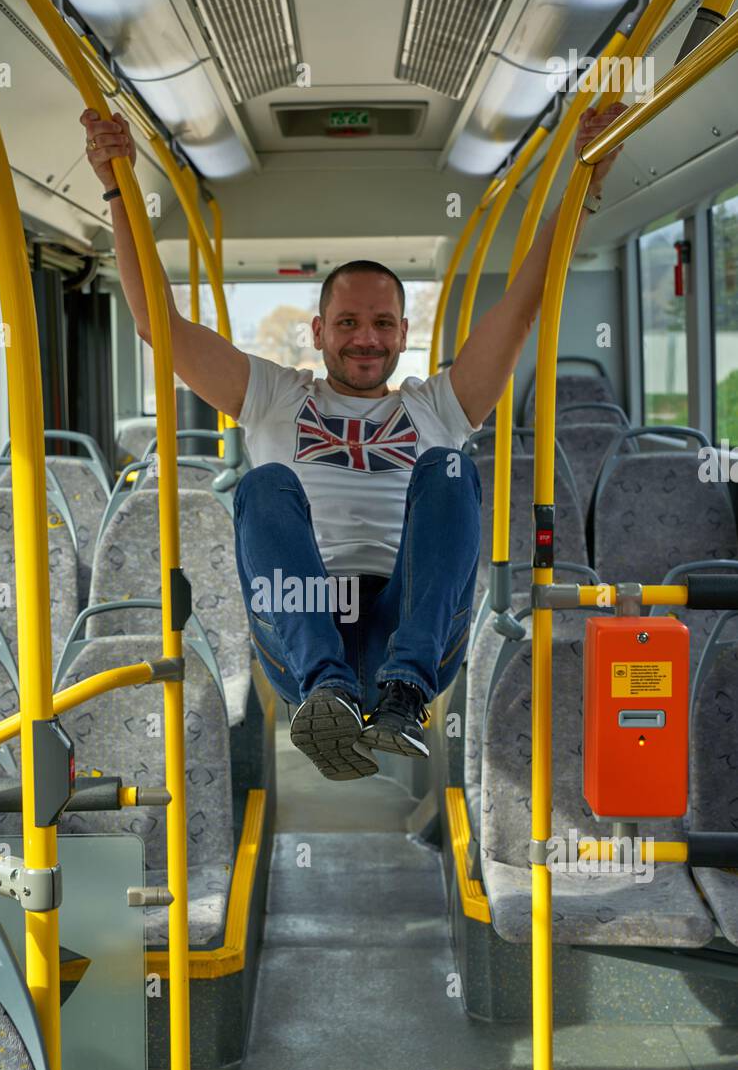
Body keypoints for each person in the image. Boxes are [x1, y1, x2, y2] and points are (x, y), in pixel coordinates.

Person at [81, 104, 624, 781]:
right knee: (264, 484)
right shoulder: (275, 395)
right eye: (347, 321)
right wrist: (116, 186)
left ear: (403, 333)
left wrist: (583, 182)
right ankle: (327, 692)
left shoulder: (438, 404)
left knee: (449, 470)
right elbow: (157, 325)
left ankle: (403, 692)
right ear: (317, 331)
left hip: (412, 628)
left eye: (382, 323)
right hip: (307, 623)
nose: (365, 337)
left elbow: (522, 305)